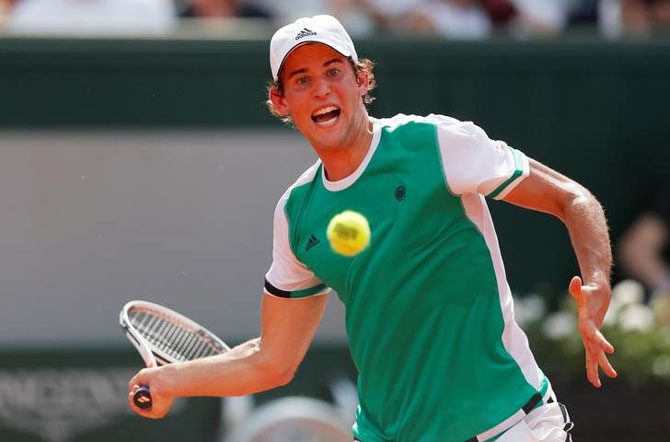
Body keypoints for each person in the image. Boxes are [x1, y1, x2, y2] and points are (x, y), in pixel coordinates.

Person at [128, 15, 617, 441]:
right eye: (302, 80)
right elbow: (273, 359)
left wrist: (596, 278)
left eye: (334, 72)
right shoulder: (297, 214)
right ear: (281, 101)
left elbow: (570, 197)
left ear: (361, 80)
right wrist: (171, 381)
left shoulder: (435, 144)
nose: (321, 89)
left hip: (511, 428)